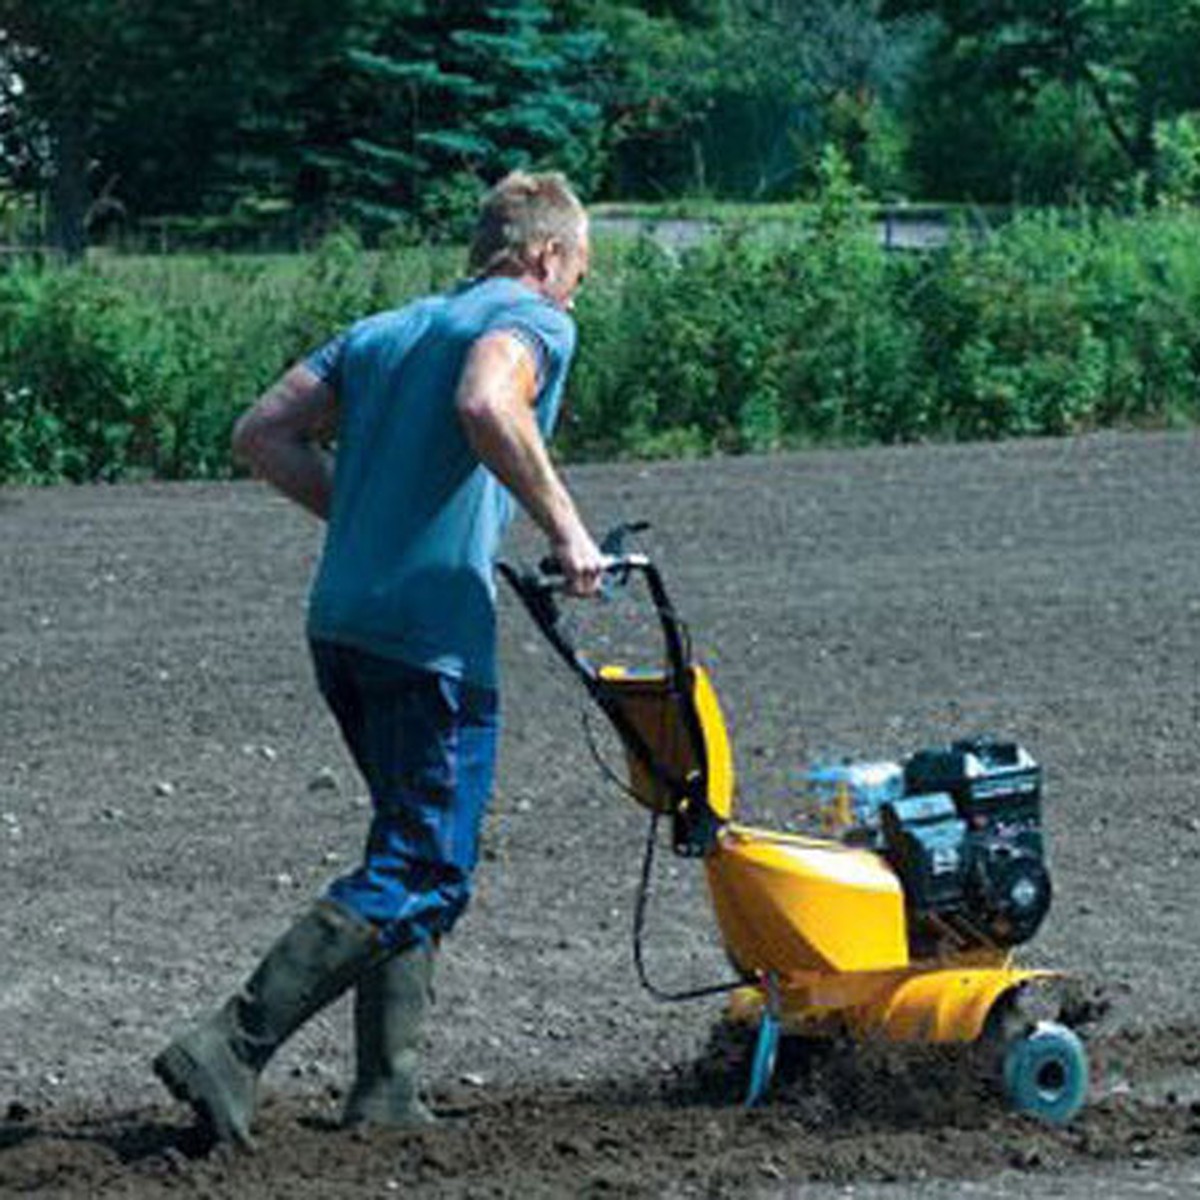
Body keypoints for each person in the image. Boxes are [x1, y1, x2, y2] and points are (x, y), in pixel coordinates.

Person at [153, 171, 604, 1148]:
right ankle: (230, 1043)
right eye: (576, 274)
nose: (574, 295)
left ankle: (388, 1090)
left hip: (343, 623)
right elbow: (490, 401)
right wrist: (567, 530)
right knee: (431, 864)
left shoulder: (384, 330)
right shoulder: (535, 319)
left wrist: (363, 515)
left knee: (405, 845)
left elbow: (261, 434)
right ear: (543, 257)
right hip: (428, 639)